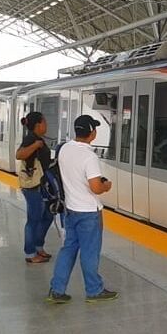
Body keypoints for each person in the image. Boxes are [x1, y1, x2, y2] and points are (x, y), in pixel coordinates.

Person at [47, 115, 117, 304]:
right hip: (88, 213)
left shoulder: (64, 149)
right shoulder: (89, 156)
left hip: (70, 210)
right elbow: (95, 187)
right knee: (89, 252)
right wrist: (107, 185)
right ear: (92, 133)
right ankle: (94, 290)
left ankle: (56, 290)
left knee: (68, 249)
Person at [15, 112, 55, 264]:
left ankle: (39, 246)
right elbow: (19, 155)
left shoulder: (38, 139)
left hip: (42, 184)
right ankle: (31, 253)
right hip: (33, 186)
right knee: (34, 220)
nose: (46, 125)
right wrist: (35, 145)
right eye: (44, 122)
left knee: (47, 216)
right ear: (38, 124)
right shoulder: (32, 138)